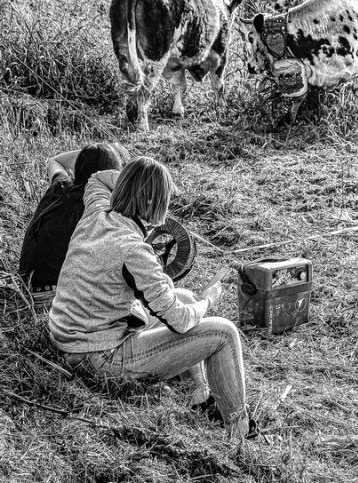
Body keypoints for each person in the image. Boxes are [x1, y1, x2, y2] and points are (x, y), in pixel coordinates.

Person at [48, 156, 256, 440]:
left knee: (182, 295)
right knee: (223, 332)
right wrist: (208, 300)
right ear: (154, 204)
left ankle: (200, 397)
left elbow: (97, 177)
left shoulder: (97, 211)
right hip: (99, 355)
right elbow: (181, 321)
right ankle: (240, 432)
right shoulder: (134, 250)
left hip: (69, 337)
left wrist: (139, 176)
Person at [19, 144, 128, 306]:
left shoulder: (60, 186)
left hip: (27, 288)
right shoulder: (100, 206)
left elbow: (55, 161)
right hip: (62, 294)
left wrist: (90, 154)